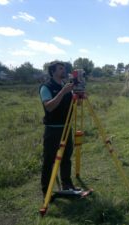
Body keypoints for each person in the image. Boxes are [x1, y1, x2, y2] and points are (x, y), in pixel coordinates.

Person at [39, 61, 78, 198]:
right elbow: (49, 106)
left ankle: (67, 185)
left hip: (67, 128)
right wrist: (63, 92)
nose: (64, 70)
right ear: (52, 72)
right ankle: (47, 192)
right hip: (53, 130)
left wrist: (77, 96)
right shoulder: (46, 87)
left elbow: (71, 104)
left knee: (66, 158)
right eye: (60, 69)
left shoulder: (65, 86)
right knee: (49, 161)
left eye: (64, 68)